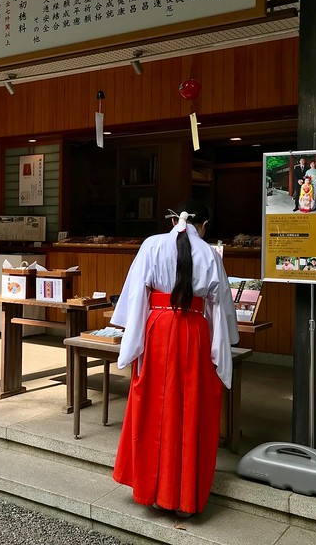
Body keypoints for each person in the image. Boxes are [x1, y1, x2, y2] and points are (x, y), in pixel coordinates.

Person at [110, 200, 239, 517]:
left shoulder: (152, 245)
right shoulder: (209, 253)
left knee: (153, 405)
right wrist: (224, 345)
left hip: (157, 329)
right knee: (191, 407)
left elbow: (135, 295)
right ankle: (183, 497)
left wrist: (133, 339)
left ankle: (152, 492)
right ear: (203, 226)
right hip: (194, 331)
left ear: (171, 220)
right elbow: (220, 305)